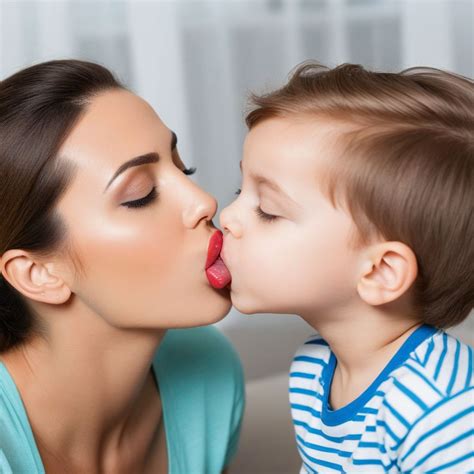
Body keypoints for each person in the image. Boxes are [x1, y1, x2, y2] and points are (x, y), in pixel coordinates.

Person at [220, 61, 473, 473]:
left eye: (267, 210)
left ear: (380, 271)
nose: (228, 216)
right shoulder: (315, 367)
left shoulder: (443, 410)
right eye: (239, 189)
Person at [0, 59, 242, 474]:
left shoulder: (211, 375)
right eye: (141, 194)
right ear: (38, 273)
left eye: (184, 168)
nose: (204, 202)